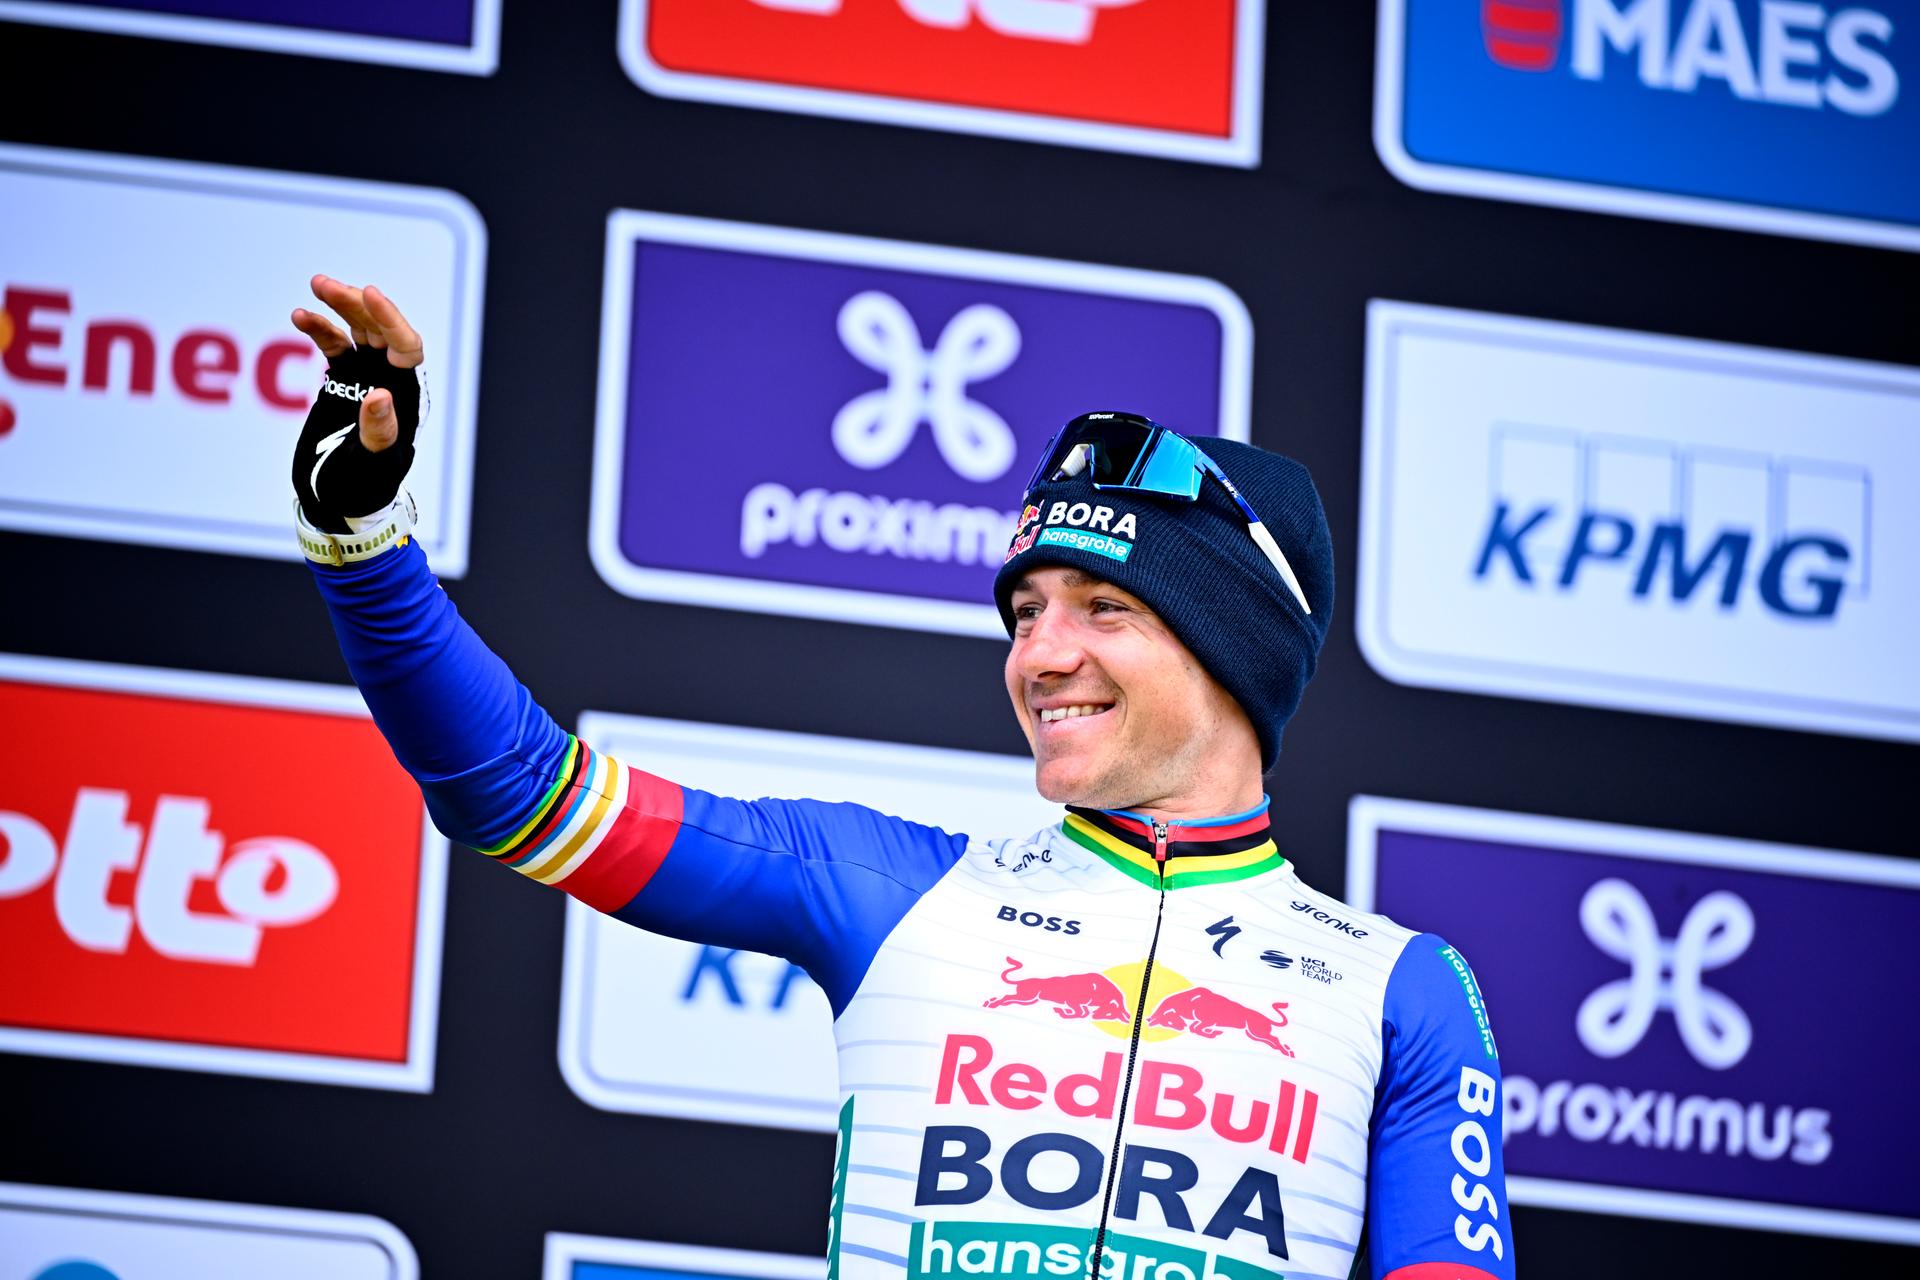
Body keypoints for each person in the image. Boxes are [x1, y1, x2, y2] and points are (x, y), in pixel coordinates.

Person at [288, 276, 1513, 1280]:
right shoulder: (894, 893)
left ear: (1235, 647)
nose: (1042, 654)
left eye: (1105, 608)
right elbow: (519, 791)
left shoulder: (1401, 989)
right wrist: (362, 537)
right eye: (1025, 610)